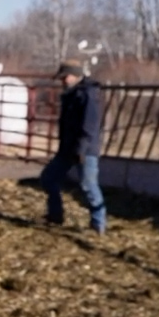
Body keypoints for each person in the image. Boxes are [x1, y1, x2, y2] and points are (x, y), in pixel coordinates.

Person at [39, 59, 109, 234]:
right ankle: (55, 215)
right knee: (49, 178)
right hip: (69, 147)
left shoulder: (88, 95)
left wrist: (81, 149)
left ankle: (98, 222)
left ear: (76, 76)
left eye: (65, 77)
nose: (63, 81)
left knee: (88, 185)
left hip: (84, 149)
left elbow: (90, 126)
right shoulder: (74, 94)